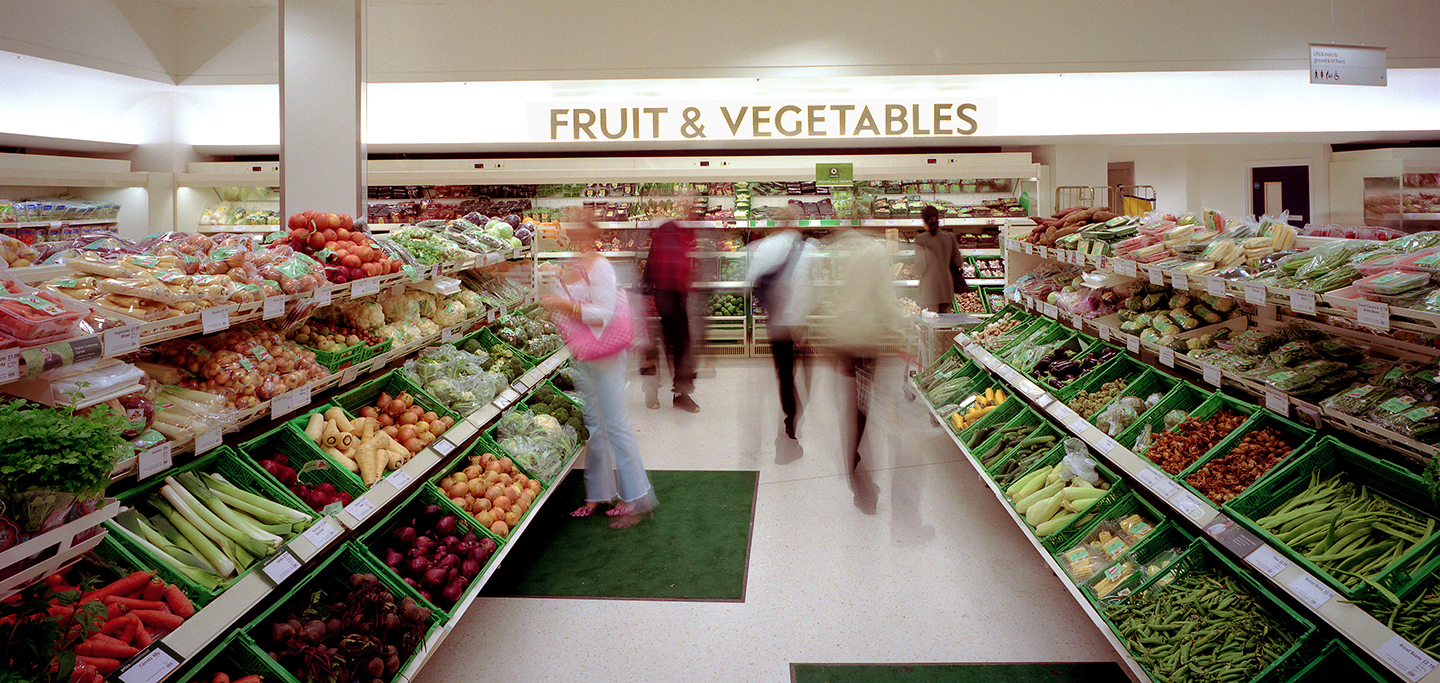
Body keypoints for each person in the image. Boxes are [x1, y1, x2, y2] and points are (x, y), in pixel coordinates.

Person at [540, 219, 658, 529]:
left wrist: (563, 305)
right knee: (594, 424)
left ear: (591, 233)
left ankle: (637, 497)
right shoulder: (572, 265)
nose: (572, 230)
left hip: (606, 353)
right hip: (583, 354)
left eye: (579, 225)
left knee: (616, 424)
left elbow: (603, 312)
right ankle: (598, 493)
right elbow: (564, 302)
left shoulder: (602, 266)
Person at [819, 228, 907, 513]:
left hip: (844, 335)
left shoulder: (850, 251)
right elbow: (884, 299)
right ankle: (857, 466)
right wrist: (899, 335)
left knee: (853, 403)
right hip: (866, 338)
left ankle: (854, 460)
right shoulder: (877, 254)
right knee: (863, 402)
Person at [746, 206, 817, 442]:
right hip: (800, 321)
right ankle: (805, 403)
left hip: (777, 322)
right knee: (806, 372)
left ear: (776, 223)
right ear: (795, 221)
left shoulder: (765, 247)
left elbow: (749, 282)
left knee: (784, 373)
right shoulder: (809, 247)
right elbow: (812, 287)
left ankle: (791, 414)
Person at [640, 197, 699, 412]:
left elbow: (687, 265)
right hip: (661, 296)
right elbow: (652, 259)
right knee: (654, 347)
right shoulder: (666, 230)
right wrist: (647, 295)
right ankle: (651, 391)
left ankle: (680, 395)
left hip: (677, 298)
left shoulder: (688, 233)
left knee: (680, 348)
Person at [912, 204, 967, 314]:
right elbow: (958, 262)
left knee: (930, 325)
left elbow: (920, 266)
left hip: (928, 291)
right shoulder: (950, 237)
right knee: (945, 326)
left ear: (924, 221)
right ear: (938, 219)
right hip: (946, 289)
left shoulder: (920, 239)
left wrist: (913, 271)